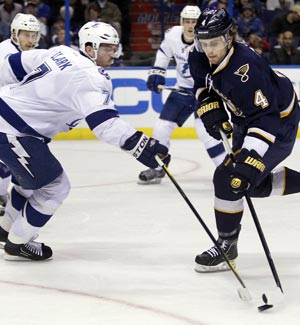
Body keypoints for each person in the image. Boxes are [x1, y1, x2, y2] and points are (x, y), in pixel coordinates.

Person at [0, 21, 170, 260]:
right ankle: (16, 243)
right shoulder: (90, 77)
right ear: (90, 48)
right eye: (108, 48)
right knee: (55, 188)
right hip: (13, 130)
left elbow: (11, 65)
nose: (114, 53)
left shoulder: (61, 51)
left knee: (29, 182)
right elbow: (105, 124)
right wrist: (143, 145)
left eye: (115, 47)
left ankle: (4, 229)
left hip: (14, 124)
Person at [188, 8, 300, 272]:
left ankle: (227, 246)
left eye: (215, 43)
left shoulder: (246, 70)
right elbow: (200, 78)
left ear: (229, 37)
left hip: (277, 125)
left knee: (229, 178)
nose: (209, 50)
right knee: (244, 184)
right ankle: (228, 244)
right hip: (245, 119)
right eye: (204, 43)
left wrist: (252, 156)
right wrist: (207, 102)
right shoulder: (199, 51)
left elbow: (267, 119)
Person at [138, 5, 226, 185]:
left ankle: (227, 170)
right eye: (187, 21)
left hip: (204, 93)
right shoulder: (172, 36)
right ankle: (157, 167)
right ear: (181, 22)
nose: (190, 25)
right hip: (182, 91)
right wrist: (157, 72)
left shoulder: (207, 38)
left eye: (194, 21)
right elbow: (163, 53)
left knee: (206, 132)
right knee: (161, 127)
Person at [0, 13, 40, 217]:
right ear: (15, 34)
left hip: (9, 116)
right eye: (26, 35)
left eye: (34, 35)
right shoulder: (4, 53)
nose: (31, 40)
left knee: (8, 161)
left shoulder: (29, 54)